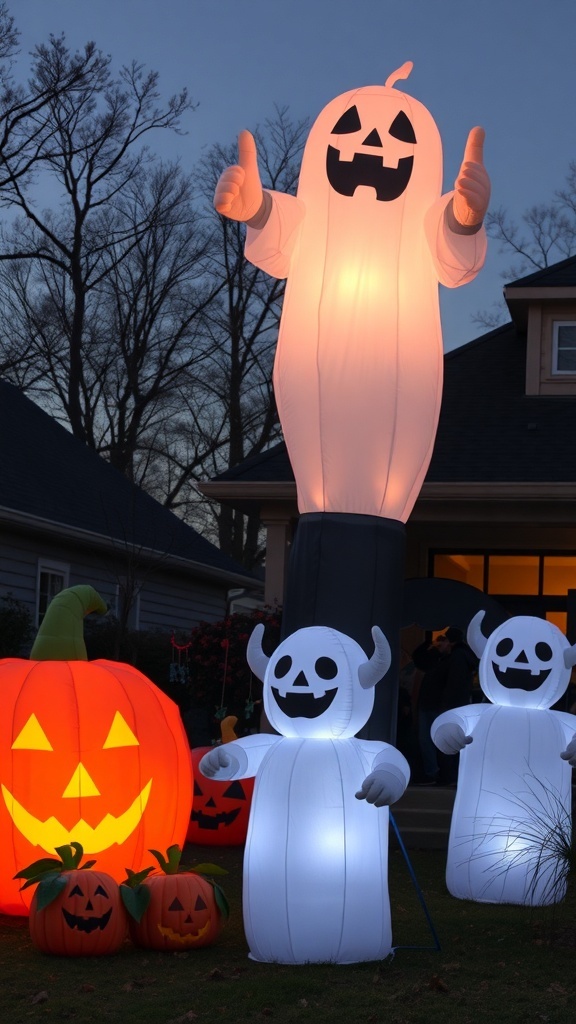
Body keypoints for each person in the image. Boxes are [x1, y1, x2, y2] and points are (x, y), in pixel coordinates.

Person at [435, 626, 478, 784]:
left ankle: (448, 775)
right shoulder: (465, 655)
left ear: (449, 641)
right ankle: (453, 775)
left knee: (447, 740)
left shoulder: (456, 657)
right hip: (460, 704)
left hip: (451, 705)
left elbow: (453, 684)